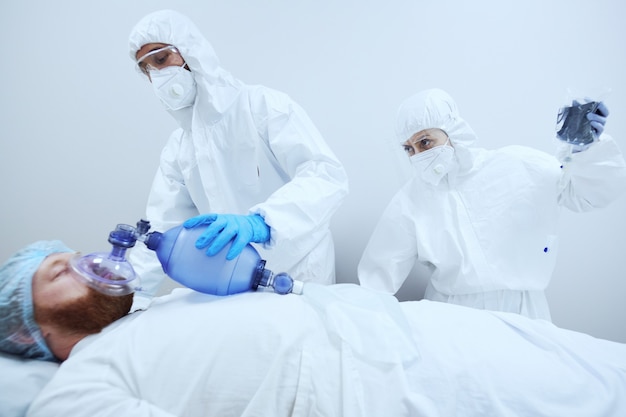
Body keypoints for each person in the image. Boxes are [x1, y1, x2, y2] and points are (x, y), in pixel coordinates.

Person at [1, 241, 624, 417]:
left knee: (595, 362)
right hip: (378, 387)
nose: (86, 262)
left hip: (404, 327)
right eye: (60, 272)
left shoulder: (159, 307)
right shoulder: (77, 385)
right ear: (29, 331)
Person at [126, 10, 349, 306]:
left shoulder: (262, 106)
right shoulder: (178, 147)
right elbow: (161, 229)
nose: (157, 75)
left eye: (161, 59)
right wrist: (126, 296)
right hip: (234, 279)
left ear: (190, 50)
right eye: (147, 69)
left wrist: (263, 223)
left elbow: (325, 176)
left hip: (300, 271)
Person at [358, 88, 626, 320]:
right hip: (450, 319)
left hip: (523, 314)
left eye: (426, 142)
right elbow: (376, 280)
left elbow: (586, 195)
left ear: (453, 130)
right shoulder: (412, 198)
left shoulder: (518, 165)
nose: (418, 155)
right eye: (409, 149)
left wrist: (586, 149)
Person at [0, 241, 132, 362]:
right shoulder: (92, 381)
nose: (91, 265)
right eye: (61, 272)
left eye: (81, 260)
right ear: (24, 333)